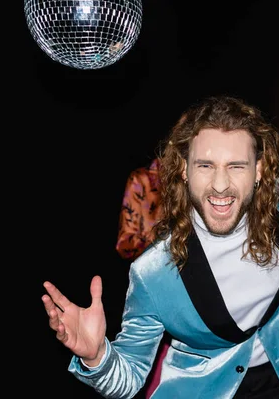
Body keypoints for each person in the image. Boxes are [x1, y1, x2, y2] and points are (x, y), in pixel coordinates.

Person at [41, 95, 279, 399]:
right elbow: (128, 379)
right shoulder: (153, 273)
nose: (220, 185)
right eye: (205, 166)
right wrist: (96, 356)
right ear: (185, 171)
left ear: (260, 170)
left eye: (236, 166)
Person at [116, 157, 169, 398]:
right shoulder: (143, 180)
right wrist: (160, 239)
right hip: (154, 286)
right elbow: (124, 243)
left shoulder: (200, 176)